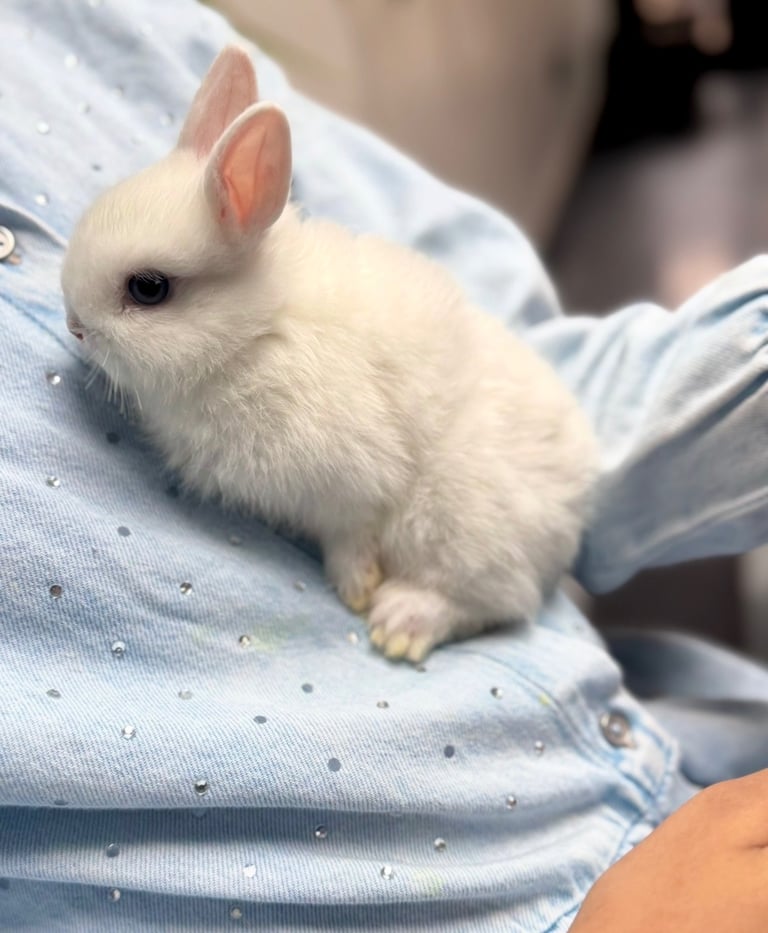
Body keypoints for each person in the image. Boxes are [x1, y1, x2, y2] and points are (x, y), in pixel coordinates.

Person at [0, 1, 767, 930]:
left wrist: (353, 545)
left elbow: (362, 475)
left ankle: (461, 595)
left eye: (148, 293)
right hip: (563, 883)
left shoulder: (274, 365)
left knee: (466, 520)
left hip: (621, 670)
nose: (83, 331)